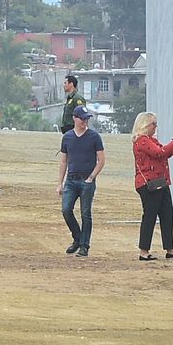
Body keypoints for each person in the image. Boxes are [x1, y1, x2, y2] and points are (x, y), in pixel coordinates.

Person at [131, 112, 173, 262]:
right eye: (153, 124)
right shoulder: (142, 140)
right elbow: (159, 153)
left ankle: (170, 249)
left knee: (167, 214)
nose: (156, 127)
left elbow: (163, 153)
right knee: (150, 216)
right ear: (145, 125)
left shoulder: (151, 140)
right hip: (149, 183)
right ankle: (144, 251)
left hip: (160, 182)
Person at [56, 106, 105, 256]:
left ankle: (84, 246)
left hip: (86, 180)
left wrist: (91, 177)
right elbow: (63, 161)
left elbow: (101, 160)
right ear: (75, 119)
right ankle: (77, 238)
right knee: (66, 210)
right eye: (82, 118)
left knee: (85, 213)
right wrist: (60, 182)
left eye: (87, 118)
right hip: (71, 179)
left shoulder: (94, 137)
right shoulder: (68, 137)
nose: (85, 121)